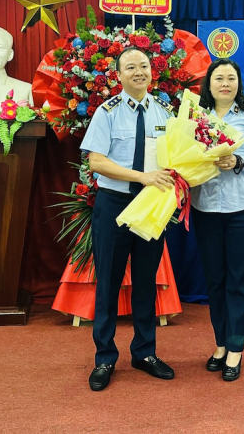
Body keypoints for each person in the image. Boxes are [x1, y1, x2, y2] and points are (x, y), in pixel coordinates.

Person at [80, 46, 176, 391]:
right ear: (118, 75)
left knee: (146, 281)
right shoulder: (107, 112)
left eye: (144, 66)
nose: (139, 72)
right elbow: (96, 162)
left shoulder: (165, 112)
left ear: (152, 72)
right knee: (108, 282)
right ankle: (104, 357)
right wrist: (141, 177)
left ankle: (144, 353)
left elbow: (175, 158)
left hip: (151, 205)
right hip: (115, 206)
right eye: (131, 67)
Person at [191, 57, 244, 382]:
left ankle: (236, 349)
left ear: (238, 84)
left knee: (239, 282)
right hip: (206, 209)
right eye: (219, 78)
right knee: (215, 281)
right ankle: (221, 345)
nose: (225, 83)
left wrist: (238, 160)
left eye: (231, 78)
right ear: (208, 84)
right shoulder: (195, 117)